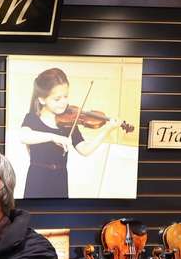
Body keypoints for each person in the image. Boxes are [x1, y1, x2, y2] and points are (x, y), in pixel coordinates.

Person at [18, 67, 123, 198]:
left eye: (65, 96)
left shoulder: (69, 122)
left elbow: (85, 150)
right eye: (57, 99)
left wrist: (107, 130)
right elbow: (23, 136)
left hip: (60, 180)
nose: (64, 102)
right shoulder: (33, 118)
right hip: (37, 180)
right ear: (42, 99)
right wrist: (53, 137)